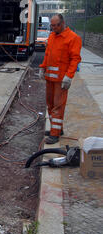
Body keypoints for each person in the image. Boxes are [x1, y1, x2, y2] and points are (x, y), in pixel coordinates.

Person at [39, 14, 81, 144]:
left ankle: (55, 134)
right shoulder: (52, 36)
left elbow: (75, 59)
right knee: (50, 105)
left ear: (62, 23)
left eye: (55, 25)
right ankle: (56, 129)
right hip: (50, 79)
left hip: (61, 81)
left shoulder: (73, 38)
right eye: (51, 25)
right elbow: (47, 54)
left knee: (58, 107)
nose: (52, 28)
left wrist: (69, 76)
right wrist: (43, 67)